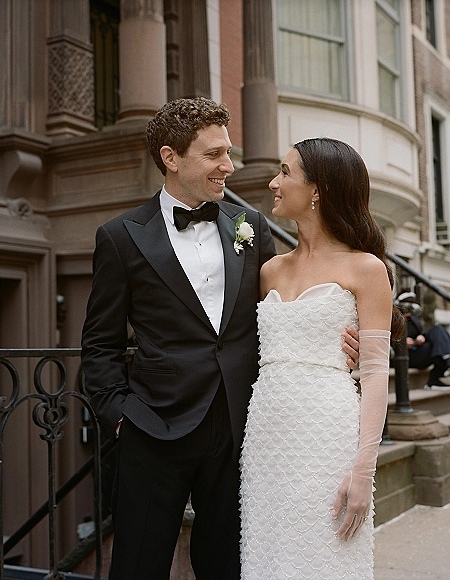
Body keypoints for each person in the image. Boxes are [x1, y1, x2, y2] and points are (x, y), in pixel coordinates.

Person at [81, 98, 360, 580]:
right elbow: (100, 343)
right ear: (171, 158)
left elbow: (281, 313)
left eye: (228, 153)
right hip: (153, 429)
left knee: (230, 566)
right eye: (214, 155)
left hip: (240, 430)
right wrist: (120, 417)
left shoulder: (249, 227)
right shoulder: (120, 237)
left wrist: (340, 341)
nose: (228, 166)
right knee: (137, 565)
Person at [239, 138, 404, 579]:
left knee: (324, 559)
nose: (273, 182)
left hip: (326, 433)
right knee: (269, 555)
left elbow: (373, 376)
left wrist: (363, 470)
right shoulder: (269, 269)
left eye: (285, 172)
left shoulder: (366, 269)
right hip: (266, 438)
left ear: (318, 190)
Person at [398, 292, 450, 390]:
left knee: (438, 329)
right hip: (407, 356)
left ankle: (447, 364)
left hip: (419, 350)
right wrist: (401, 342)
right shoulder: (393, 320)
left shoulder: (414, 320)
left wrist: (421, 336)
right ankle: (447, 364)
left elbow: (424, 333)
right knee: (440, 345)